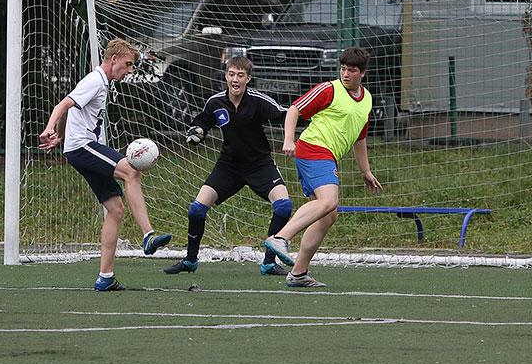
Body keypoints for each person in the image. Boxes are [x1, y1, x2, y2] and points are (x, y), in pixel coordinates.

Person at [38, 38, 171, 291]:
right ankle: (148, 235)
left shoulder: (103, 83)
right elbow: (63, 104)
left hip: (79, 147)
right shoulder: (95, 80)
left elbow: (75, 110)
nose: (130, 70)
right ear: (113, 60)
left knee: (116, 209)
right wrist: (49, 128)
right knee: (131, 171)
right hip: (83, 147)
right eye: (128, 64)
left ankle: (105, 277)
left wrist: (61, 137)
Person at [264, 46, 383, 288]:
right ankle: (281, 237)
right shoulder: (329, 89)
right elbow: (294, 109)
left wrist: (366, 171)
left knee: (328, 215)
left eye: (351, 70)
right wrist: (288, 139)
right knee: (329, 201)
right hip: (313, 148)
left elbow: (360, 137)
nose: (345, 74)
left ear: (362, 73)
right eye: (343, 69)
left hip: (327, 156)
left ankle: (298, 273)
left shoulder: (367, 99)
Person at [163, 56, 293, 276]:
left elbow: (286, 114)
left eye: (240, 75)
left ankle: (269, 263)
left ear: (248, 79)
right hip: (229, 166)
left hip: (260, 164)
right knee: (196, 210)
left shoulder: (258, 101)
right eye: (231, 74)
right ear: (226, 76)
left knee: (283, 207)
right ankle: (190, 260)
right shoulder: (215, 102)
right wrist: (197, 132)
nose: (235, 79)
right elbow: (202, 122)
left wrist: (310, 118)